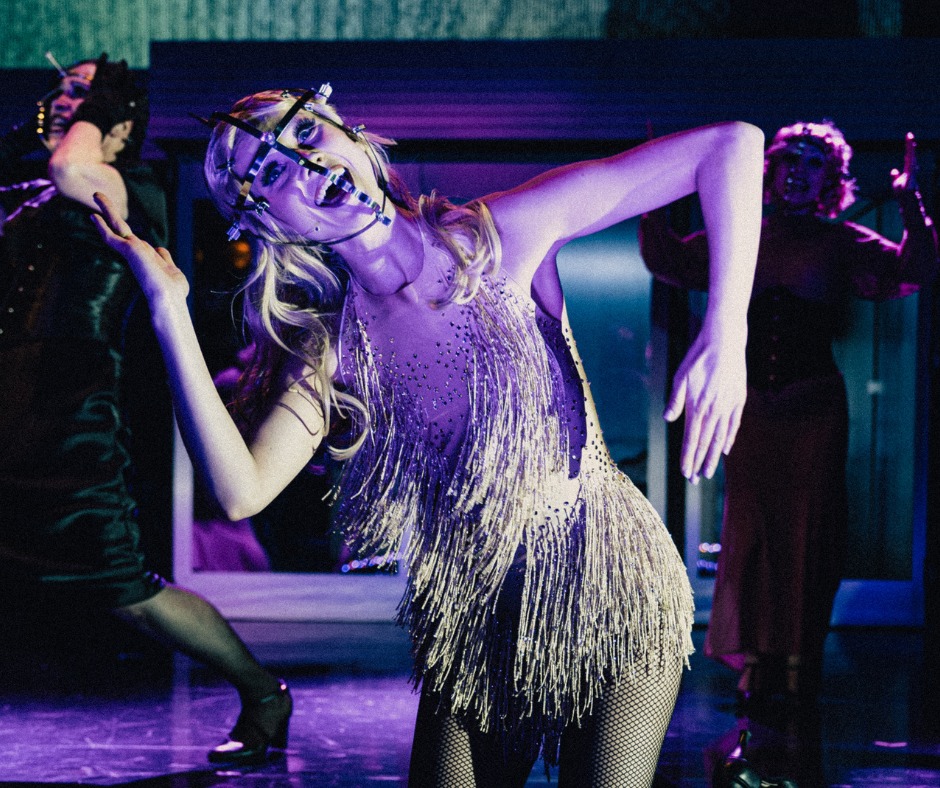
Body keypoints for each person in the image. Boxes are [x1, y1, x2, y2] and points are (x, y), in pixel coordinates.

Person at [93, 83, 765, 786]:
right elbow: (241, 490)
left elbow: (732, 146)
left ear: (353, 138)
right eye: (272, 171)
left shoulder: (502, 236)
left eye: (307, 137)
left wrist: (726, 330)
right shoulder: (336, 346)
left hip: (609, 581)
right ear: (269, 220)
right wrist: (169, 309)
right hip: (471, 614)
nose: (307, 166)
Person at [0, 55, 290, 765]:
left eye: (85, 93)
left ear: (121, 125)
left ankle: (263, 692)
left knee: (125, 587)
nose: (66, 101)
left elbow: (73, 168)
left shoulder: (131, 188)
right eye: (61, 90)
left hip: (65, 413)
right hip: (6, 396)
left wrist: (98, 104)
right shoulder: (24, 185)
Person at [640, 120, 938, 706]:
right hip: (750, 406)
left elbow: (915, 269)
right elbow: (669, 259)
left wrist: (910, 203)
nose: (800, 172)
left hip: (813, 408)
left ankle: (800, 658)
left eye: (814, 163)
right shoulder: (740, 233)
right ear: (771, 171)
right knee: (749, 528)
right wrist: (655, 185)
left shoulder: (843, 241)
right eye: (791, 161)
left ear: (831, 180)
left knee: (807, 531)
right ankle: (753, 657)